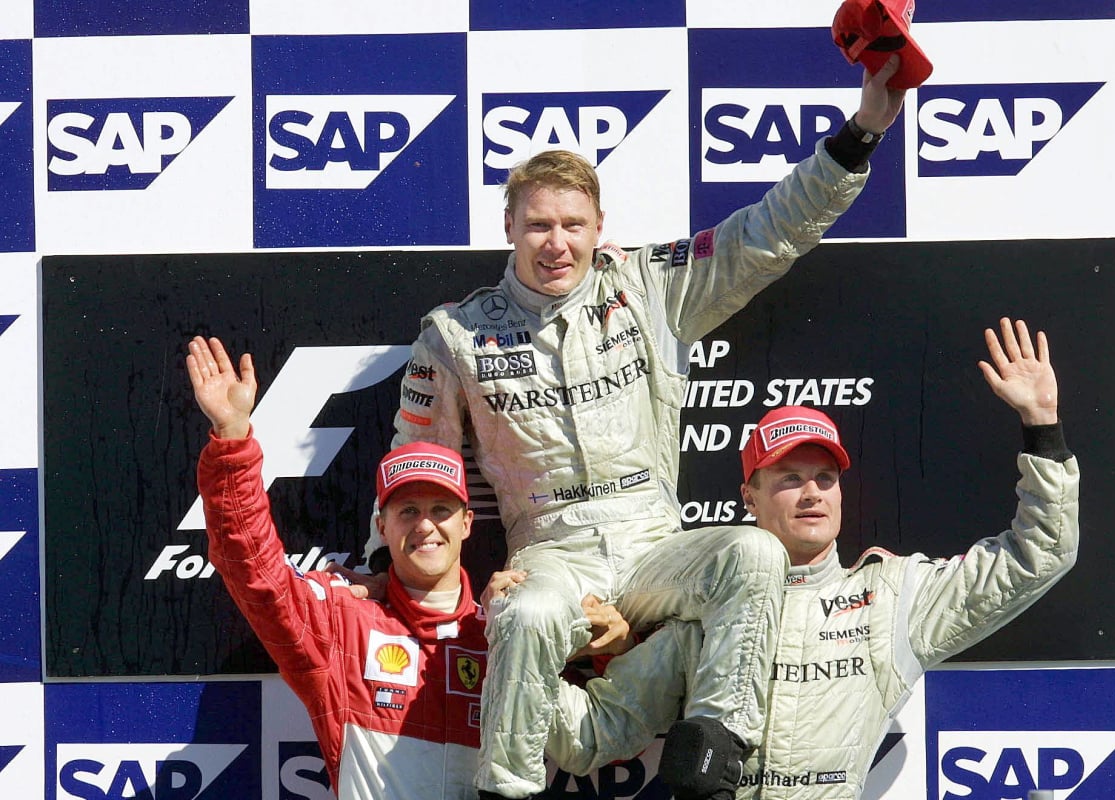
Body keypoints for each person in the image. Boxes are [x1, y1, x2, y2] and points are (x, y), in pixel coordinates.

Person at [363, 57, 910, 800]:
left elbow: (766, 234)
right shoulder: (455, 335)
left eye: (573, 226)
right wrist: (381, 573)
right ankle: (504, 791)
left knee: (754, 551)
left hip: (654, 546)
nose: (556, 244)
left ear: (599, 228)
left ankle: (712, 760)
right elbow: (414, 462)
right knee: (523, 610)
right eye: (538, 226)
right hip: (552, 551)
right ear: (509, 228)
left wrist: (863, 132)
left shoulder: (648, 285)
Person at [539, 318, 1080, 800]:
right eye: (790, 479)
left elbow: (1039, 555)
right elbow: (597, 735)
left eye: (825, 478)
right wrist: (520, 649)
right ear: (749, 497)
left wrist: (1043, 426)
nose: (812, 493)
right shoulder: (704, 608)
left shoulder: (893, 597)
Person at [187, 335, 490, 799]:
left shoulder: (505, 632)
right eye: (408, 511)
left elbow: (594, 725)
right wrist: (232, 437)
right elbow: (253, 569)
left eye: (441, 510)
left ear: (467, 523)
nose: (425, 525)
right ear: (382, 527)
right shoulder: (343, 624)